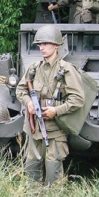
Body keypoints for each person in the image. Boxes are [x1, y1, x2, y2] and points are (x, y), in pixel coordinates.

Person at [15, 24, 85, 187]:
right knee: (32, 171)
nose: (41, 47)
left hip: (55, 130)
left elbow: (78, 99)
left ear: (56, 46)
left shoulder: (66, 70)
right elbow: (20, 89)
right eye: (40, 44)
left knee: (54, 174)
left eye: (45, 43)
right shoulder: (34, 68)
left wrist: (56, 110)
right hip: (34, 129)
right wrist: (29, 102)